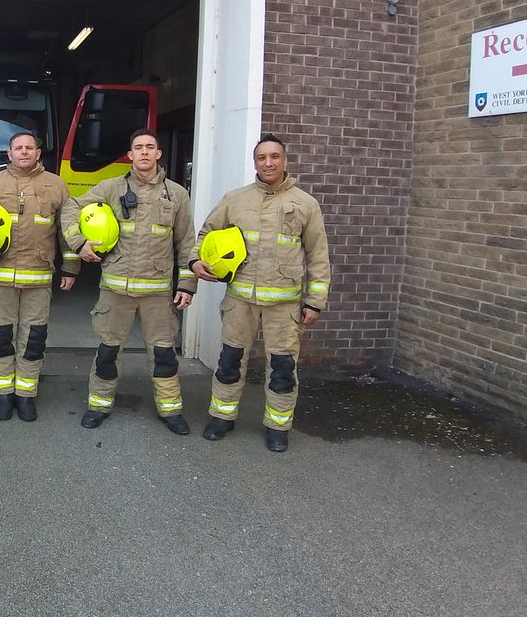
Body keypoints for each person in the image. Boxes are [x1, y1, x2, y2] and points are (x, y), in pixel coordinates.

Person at [190, 133, 331, 452]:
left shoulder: (305, 204)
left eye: (274, 157)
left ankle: (278, 426)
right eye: (262, 157)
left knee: (282, 368)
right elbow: (206, 233)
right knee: (229, 361)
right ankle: (221, 417)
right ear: (255, 162)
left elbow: (318, 255)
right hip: (239, 301)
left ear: (285, 161)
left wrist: (315, 302)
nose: (268, 162)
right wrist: (196, 260)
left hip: (285, 305)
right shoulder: (235, 199)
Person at [60, 129, 198, 433]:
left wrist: (187, 285)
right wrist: (79, 243)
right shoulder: (111, 188)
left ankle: (171, 410)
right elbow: (71, 207)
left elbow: (187, 243)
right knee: (108, 351)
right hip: (115, 289)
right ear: (130, 155)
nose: (145, 152)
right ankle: (98, 405)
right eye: (139, 147)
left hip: (157, 292)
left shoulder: (176, 194)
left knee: (163, 354)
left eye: (151, 147)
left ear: (158, 154)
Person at [0, 131, 79, 422]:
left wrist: (71, 267)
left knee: (33, 340)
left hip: (38, 279)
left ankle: (26, 396)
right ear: (9, 154)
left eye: (29, 147)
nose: (24, 152)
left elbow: (66, 229)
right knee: (1, 339)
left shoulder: (56, 186)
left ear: (38, 153)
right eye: (18, 148)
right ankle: (3, 394)